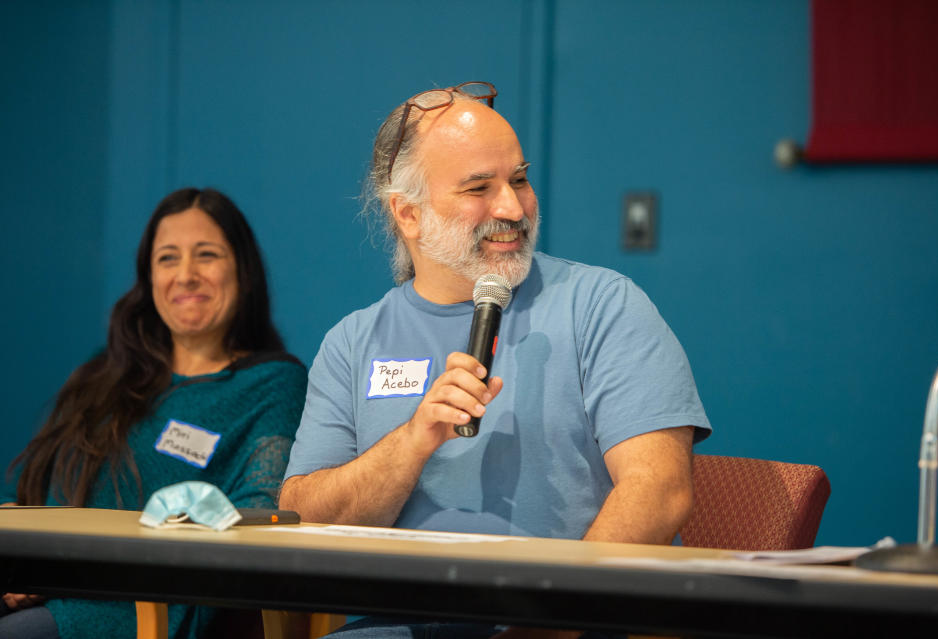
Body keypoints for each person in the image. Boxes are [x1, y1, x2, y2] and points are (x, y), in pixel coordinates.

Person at [279, 82, 711, 639]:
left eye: (520, 179)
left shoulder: (604, 304)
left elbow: (660, 492)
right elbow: (301, 521)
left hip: (574, 620)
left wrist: (550, 622)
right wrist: (413, 441)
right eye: (479, 188)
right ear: (407, 214)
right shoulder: (352, 341)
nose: (512, 207)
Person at [0, 187, 307, 639]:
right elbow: (21, 495)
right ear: (148, 278)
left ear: (242, 271)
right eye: (167, 258)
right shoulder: (101, 376)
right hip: (32, 588)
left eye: (206, 255)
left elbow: (258, 515)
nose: (185, 275)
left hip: (139, 608)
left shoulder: (272, 383)